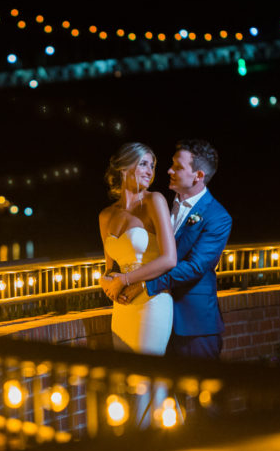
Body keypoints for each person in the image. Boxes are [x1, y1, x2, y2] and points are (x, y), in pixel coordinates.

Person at [117, 139, 232, 360]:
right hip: (156, 318)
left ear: (198, 175)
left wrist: (145, 285)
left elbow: (194, 267)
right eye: (171, 164)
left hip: (195, 325)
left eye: (178, 167)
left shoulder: (218, 216)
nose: (169, 170)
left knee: (201, 391)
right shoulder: (159, 204)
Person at [98, 142, 176, 354]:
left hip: (151, 300)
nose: (150, 171)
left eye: (152, 166)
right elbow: (109, 267)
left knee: (147, 378)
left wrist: (124, 280)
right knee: (124, 377)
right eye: (143, 164)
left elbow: (170, 259)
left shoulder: (154, 201)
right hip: (122, 303)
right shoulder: (106, 216)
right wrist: (105, 281)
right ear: (124, 168)